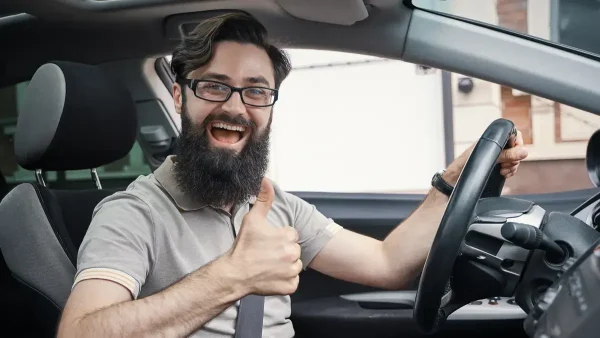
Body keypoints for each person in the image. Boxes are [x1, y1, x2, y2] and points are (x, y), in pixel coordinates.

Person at [56, 12, 528, 338]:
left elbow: (386, 263)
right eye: (215, 85)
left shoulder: (269, 200)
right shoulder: (132, 213)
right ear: (181, 98)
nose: (236, 108)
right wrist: (234, 277)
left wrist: (448, 183)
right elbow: (80, 332)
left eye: (256, 92)